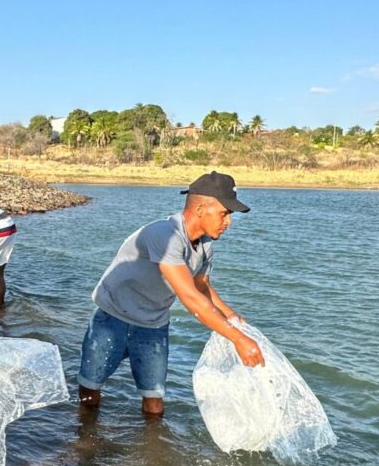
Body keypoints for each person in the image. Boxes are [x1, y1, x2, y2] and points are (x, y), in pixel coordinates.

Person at [77, 172, 264, 417]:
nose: (228, 222)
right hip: (112, 319)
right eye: (224, 213)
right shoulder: (164, 235)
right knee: (90, 392)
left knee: (154, 404)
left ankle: (153, 451)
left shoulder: (205, 245)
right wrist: (238, 339)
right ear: (200, 209)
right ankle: (84, 442)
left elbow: (201, 286)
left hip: (153, 326)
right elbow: (189, 296)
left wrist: (231, 317)